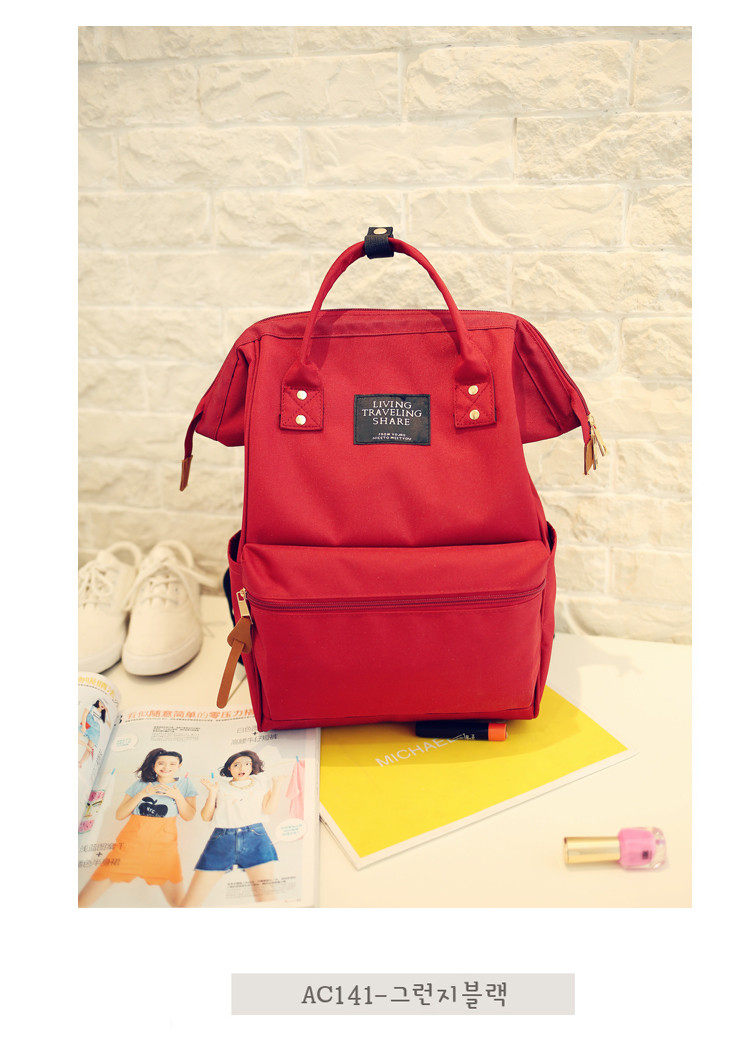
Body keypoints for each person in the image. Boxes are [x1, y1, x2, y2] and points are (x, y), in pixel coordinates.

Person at [78, 748, 197, 907]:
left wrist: (178, 797)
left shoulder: (185, 784)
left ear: (179, 765)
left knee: (180, 903)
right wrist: (142, 794)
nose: (166, 767)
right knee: (83, 899)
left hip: (163, 850)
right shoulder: (141, 784)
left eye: (172, 763)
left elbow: (189, 816)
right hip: (129, 847)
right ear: (154, 765)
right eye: (161, 763)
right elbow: (120, 814)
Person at [181, 749, 284, 907]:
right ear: (229, 768)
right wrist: (212, 792)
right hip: (222, 839)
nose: (242, 768)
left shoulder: (260, 783)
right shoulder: (219, 785)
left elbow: (268, 809)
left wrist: (277, 786)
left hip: (256, 838)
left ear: (252, 767)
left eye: (247, 764)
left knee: (266, 899)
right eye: (236, 765)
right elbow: (206, 817)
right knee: (191, 902)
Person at [78, 700, 108, 768]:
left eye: (105, 705)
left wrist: (107, 712)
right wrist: (83, 726)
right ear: (99, 702)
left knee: (90, 747)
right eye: (102, 703)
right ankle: (87, 747)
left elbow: (108, 724)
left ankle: (80, 763)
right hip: (87, 725)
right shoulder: (91, 707)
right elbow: (84, 716)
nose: (103, 705)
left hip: (95, 731)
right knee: (88, 747)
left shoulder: (102, 715)